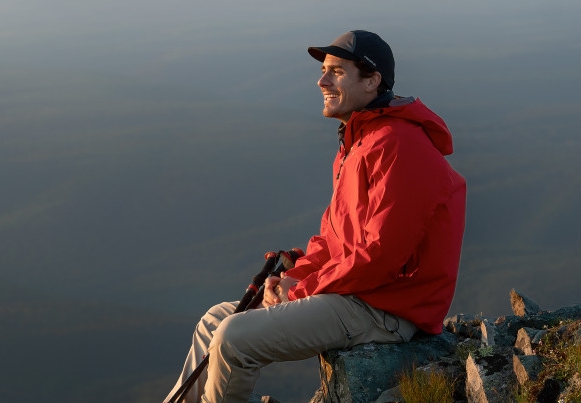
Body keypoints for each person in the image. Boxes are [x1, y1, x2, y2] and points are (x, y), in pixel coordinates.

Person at [164, 30, 467, 403]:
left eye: (336, 72)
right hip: (356, 293)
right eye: (324, 71)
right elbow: (335, 239)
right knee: (214, 322)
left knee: (234, 339)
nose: (321, 81)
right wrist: (291, 276)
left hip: (386, 307)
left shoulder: (399, 144)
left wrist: (303, 289)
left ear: (372, 81)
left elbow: (382, 254)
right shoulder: (358, 142)